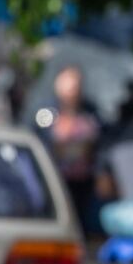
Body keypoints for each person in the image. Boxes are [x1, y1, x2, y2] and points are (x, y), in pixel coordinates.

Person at [36, 65, 103, 236]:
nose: (71, 91)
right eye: (67, 86)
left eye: (75, 86)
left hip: (83, 181)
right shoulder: (47, 113)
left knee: (82, 223)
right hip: (55, 179)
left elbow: (101, 143)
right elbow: (39, 140)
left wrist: (102, 170)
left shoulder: (90, 112)